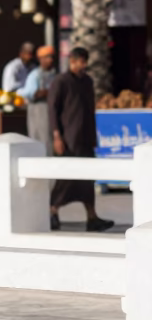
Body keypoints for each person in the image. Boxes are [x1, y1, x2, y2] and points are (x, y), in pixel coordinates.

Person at [47, 47, 114, 232]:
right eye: (80, 62)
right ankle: (51, 212)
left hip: (85, 136)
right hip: (68, 138)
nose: (83, 66)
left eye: (85, 62)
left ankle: (92, 217)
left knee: (87, 178)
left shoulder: (87, 81)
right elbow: (52, 110)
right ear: (72, 61)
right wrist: (56, 136)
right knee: (66, 178)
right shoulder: (61, 81)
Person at [21, 45, 58, 154]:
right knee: (41, 142)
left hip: (53, 112)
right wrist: (48, 92)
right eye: (47, 57)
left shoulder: (55, 75)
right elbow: (30, 93)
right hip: (39, 113)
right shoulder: (35, 75)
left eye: (51, 57)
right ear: (40, 59)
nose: (50, 60)